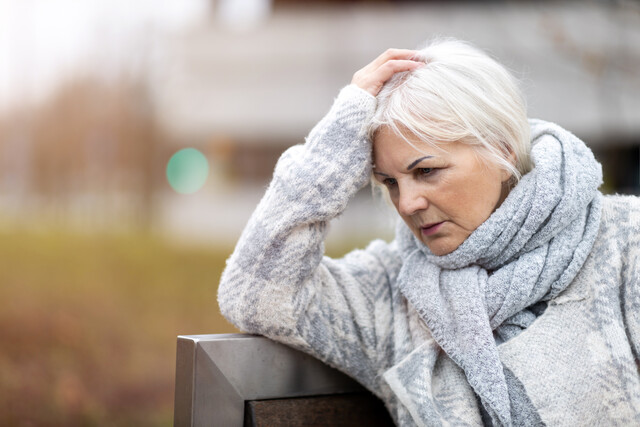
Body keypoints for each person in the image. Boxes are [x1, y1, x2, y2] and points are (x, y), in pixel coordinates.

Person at [217, 39, 640, 426]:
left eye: (426, 171)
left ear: (501, 147)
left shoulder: (624, 242)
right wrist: (333, 147)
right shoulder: (391, 293)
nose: (407, 204)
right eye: (390, 182)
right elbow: (255, 294)